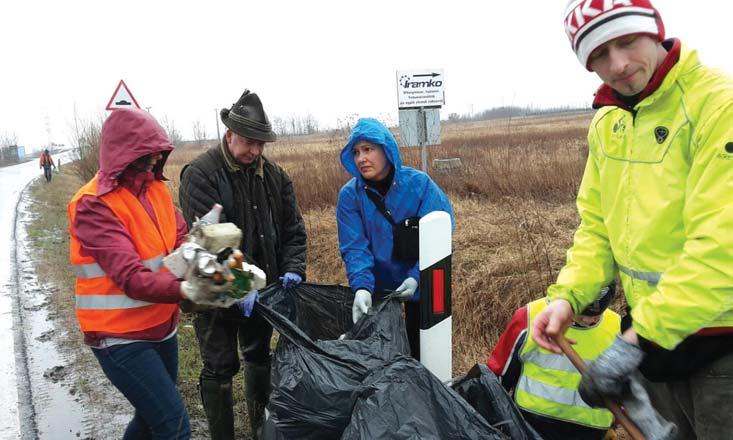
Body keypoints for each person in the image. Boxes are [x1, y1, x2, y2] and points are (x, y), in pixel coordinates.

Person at [532, 1, 733, 438]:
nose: (618, 65)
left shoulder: (718, 105)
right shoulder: (609, 122)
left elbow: (724, 244)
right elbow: (598, 229)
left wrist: (633, 343)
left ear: (655, 31)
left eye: (626, 42)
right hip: (657, 344)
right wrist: (568, 296)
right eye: (599, 55)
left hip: (721, 345)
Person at [67, 108, 237, 439]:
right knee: (173, 425)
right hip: (118, 336)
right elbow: (130, 276)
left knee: (150, 421)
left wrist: (214, 263)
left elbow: (179, 245)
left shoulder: (156, 190)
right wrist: (190, 291)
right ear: (123, 153)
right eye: (148, 152)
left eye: (159, 150)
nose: (157, 157)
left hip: (162, 326)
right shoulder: (93, 204)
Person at [179, 89, 307, 439]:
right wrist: (242, 286)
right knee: (219, 367)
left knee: (258, 356)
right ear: (229, 134)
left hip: (261, 293)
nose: (255, 150)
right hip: (215, 289)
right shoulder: (200, 175)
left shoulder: (276, 177)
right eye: (249, 141)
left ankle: (258, 431)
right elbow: (211, 240)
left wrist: (293, 266)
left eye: (261, 143)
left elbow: (294, 229)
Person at [336, 117, 453, 359]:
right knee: (380, 357)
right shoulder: (350, 196)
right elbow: (355, 248)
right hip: (377, 287)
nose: (361, 158)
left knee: (425, 353)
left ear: (386, 149)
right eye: (356, 152)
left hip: (420, 283)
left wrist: (417, 277)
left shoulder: (419, 186)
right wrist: (361, 288)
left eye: (368, 149)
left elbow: (441, 235)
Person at [488, 285, 620, 440]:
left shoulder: (617, 328)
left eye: (596, 315)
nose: (587, 319)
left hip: (591, 432)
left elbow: (625, 386)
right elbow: (497, 377)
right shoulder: (530, 316)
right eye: (581, 312)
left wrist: (614, 421)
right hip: (531, 427)